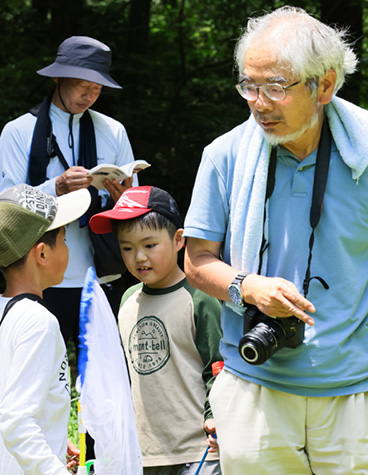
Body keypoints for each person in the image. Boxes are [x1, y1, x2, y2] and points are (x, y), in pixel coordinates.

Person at [183, 6, 368, 474]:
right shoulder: (224, 156)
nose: (258, 102)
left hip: (355, 393)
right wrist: (248, 286)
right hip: (253, 387)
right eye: (249, 86)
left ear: (325, 85)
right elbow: (196, 260)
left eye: (276, 87)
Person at [0, 35, 138, 350]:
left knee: (103, 380)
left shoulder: (113, 131)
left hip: (101, 274)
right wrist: (56, 188)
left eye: (98, 89)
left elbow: (134, 203)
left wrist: (124, 200)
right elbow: (5, 207)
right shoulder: (18, 131)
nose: (89, 95)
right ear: (59, 77)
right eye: (83, 86)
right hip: (39, 278)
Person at [89, 185, 223, 475]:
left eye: (150, 245)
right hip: (142, 454)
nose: (139, 257)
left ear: (178, 240)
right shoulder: (127, 301)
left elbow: (218, 368)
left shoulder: (200, 298)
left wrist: (216, 419)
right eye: (127, 247)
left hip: (198, 452)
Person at [0, 184, 90, 474]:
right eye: (63, 240)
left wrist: (50, 435)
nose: (67, 249)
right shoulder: (39, 323)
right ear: (41, 254)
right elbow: (16, 422)